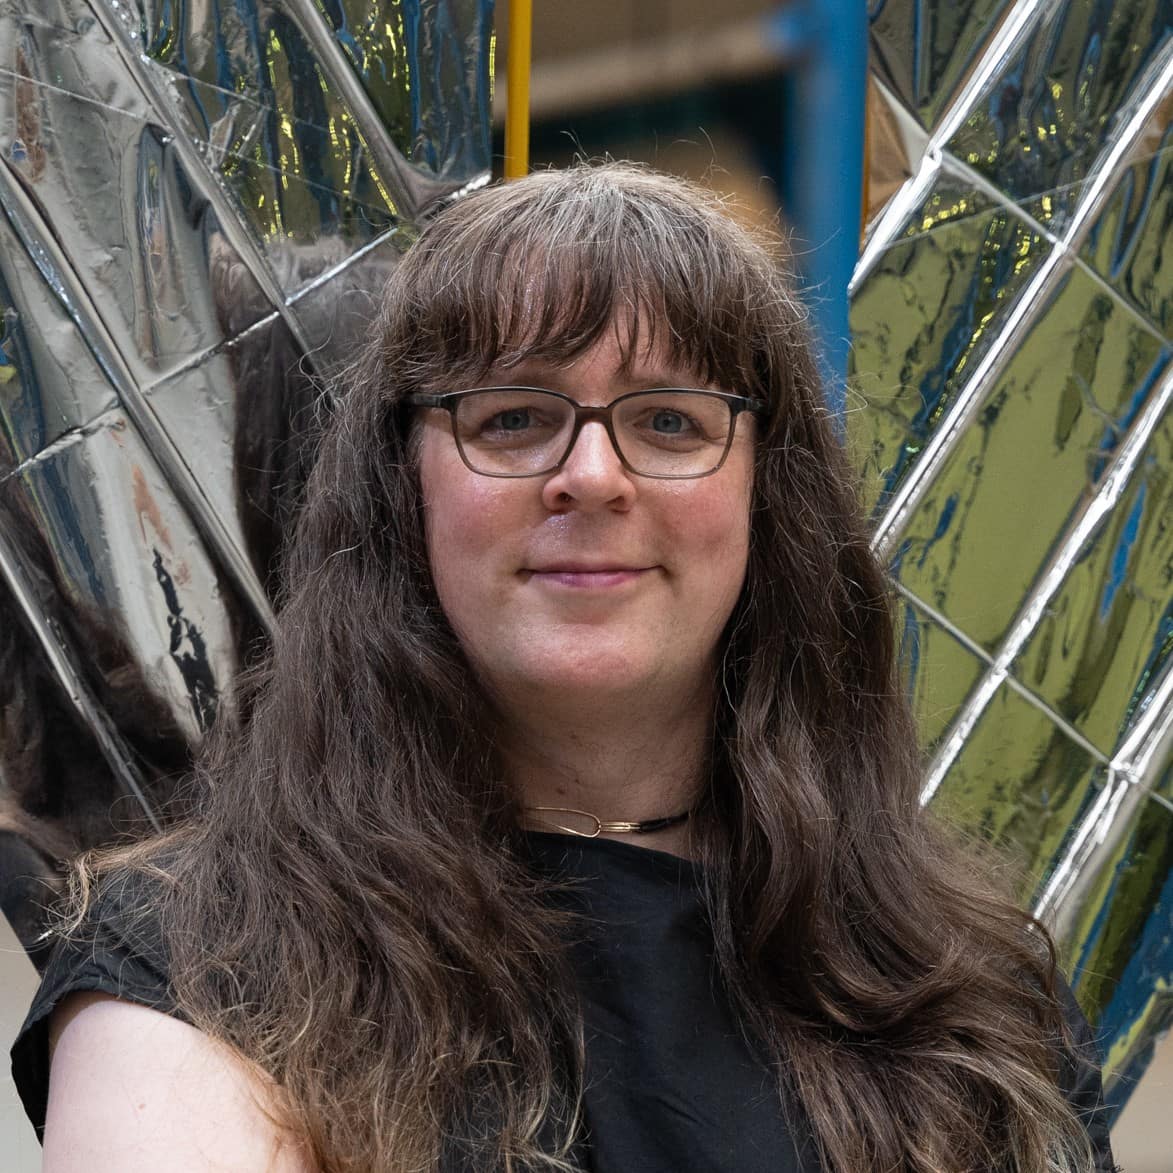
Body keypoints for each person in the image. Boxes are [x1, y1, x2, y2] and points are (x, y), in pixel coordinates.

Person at [11, 161, 1117, 1173]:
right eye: (515, 417)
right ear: (405, 496)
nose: (591, 476)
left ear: (766, 500)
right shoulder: (198, 975)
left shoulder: (975, 1003)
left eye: (672, 421)